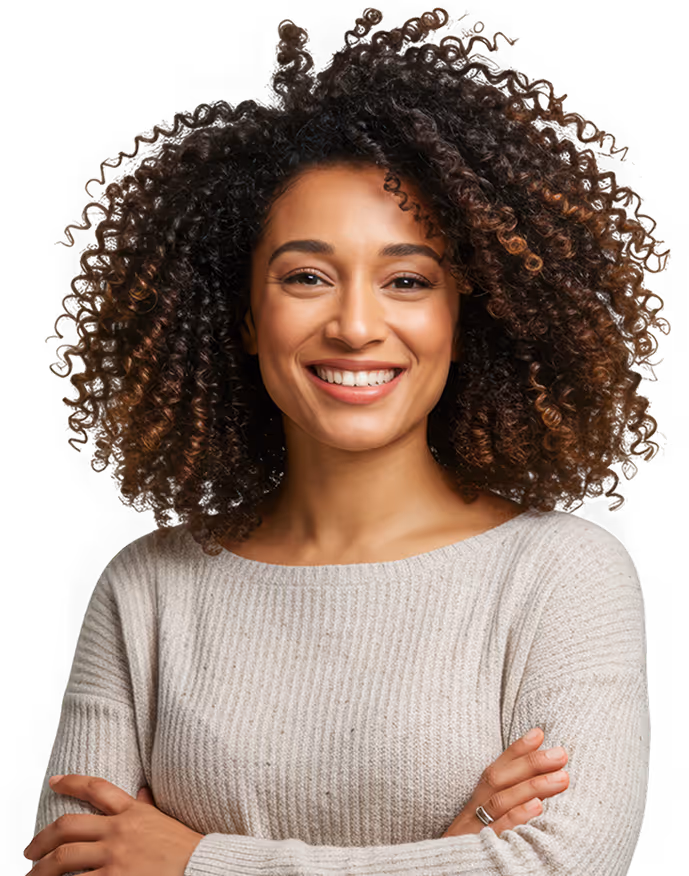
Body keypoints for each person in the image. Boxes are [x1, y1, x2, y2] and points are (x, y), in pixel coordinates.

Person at [34, 7, 661, 874]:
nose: (357, 325)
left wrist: (192, 862)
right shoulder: (146, 589)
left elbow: (565, 864)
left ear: (462, 315)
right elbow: (74, 866)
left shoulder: (562, 573)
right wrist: (451, 849)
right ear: (246, 316)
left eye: (406, 279)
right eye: (306, 277)